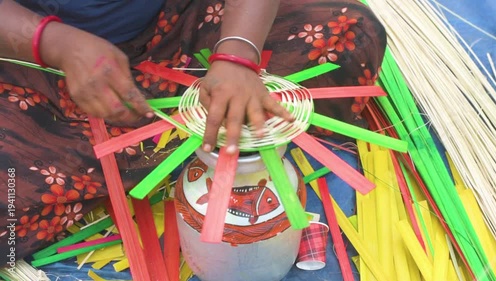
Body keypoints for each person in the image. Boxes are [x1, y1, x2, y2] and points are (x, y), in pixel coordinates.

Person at [0, 0, 386, 266]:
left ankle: (153, 145)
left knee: (350, 32)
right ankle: (205, 138)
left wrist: (237, 55)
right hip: (33, 64)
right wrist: (55, 43)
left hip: (181, 26)